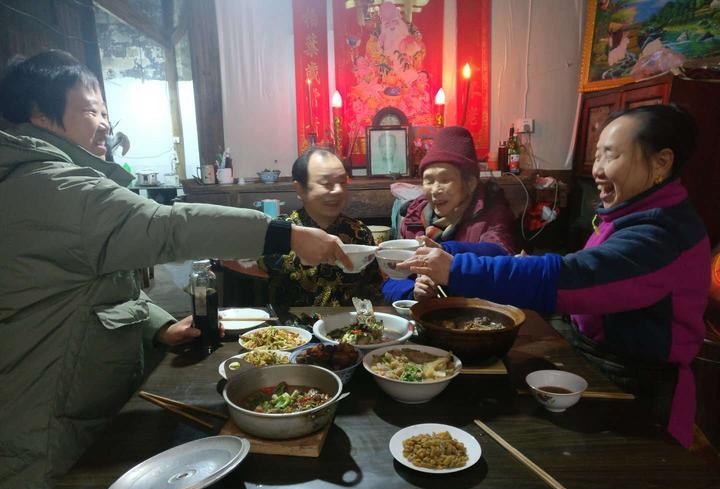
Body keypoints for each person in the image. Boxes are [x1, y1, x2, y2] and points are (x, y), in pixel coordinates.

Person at [0, 50, 352, 489]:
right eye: (89, 109)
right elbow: (163, 226)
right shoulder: (46, 184)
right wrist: (284, 235)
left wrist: (158, 324)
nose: (104, 123)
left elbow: (94, 285)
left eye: (105, 111)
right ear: (40, 115)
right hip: (44, 428)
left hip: (81, 413)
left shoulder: (54, 179)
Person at [399, 105, 710, 448]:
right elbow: (586, 270)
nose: (598, 171)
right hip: (598, 363)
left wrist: (456, 268)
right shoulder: (628, 217)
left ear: (661, 163)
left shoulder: (662, 234)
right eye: (597, 156)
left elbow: (577, 277)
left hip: (641, 388)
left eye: (612, 156)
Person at [225, 147, 383, 309]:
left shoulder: (359, 232)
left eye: (342, 182)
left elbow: (374, 289)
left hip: (350, 330)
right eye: (326, 183)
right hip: (293, 331)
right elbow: (230, 256)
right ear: (300, 189)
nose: (337, 190)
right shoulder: (281, 232)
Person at [383, 125, 516, 302]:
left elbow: (500, 253)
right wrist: (412, 291)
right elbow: (391, 278)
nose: (435, 190)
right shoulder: (414, 218)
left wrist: (445, 253)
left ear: (470, 184)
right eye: (429, 180)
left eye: (445, 180)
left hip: (474, 314)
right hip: (426, 314)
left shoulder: (492, 212)